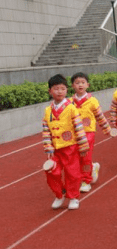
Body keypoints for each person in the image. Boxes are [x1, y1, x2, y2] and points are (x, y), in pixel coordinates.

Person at [42, 74, 89, 210]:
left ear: (66, 90)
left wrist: (83, 145)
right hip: (55, 149)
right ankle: (60, 194)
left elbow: (79, 128)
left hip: (70, 147)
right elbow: (46, 131)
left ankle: (73, 196)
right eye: (56, 89)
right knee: (51, 171)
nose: (59, 92)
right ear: (50, 91)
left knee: (72, 173)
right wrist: (48, 148)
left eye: (62, 88)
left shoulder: (71, 108)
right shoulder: (48, 111)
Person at [70, 72, 111, 193]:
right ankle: (92, 168)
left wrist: (106, 128)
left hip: (88, 133)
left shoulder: (92, 101)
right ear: (73, 86)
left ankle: (86, 180)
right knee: (76, 157)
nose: (80, 85)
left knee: (86, 156)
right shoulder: (69, 102)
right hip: (74, 135)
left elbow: (99, 116)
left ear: (87, 84)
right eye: (77, 83)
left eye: (83, 82)